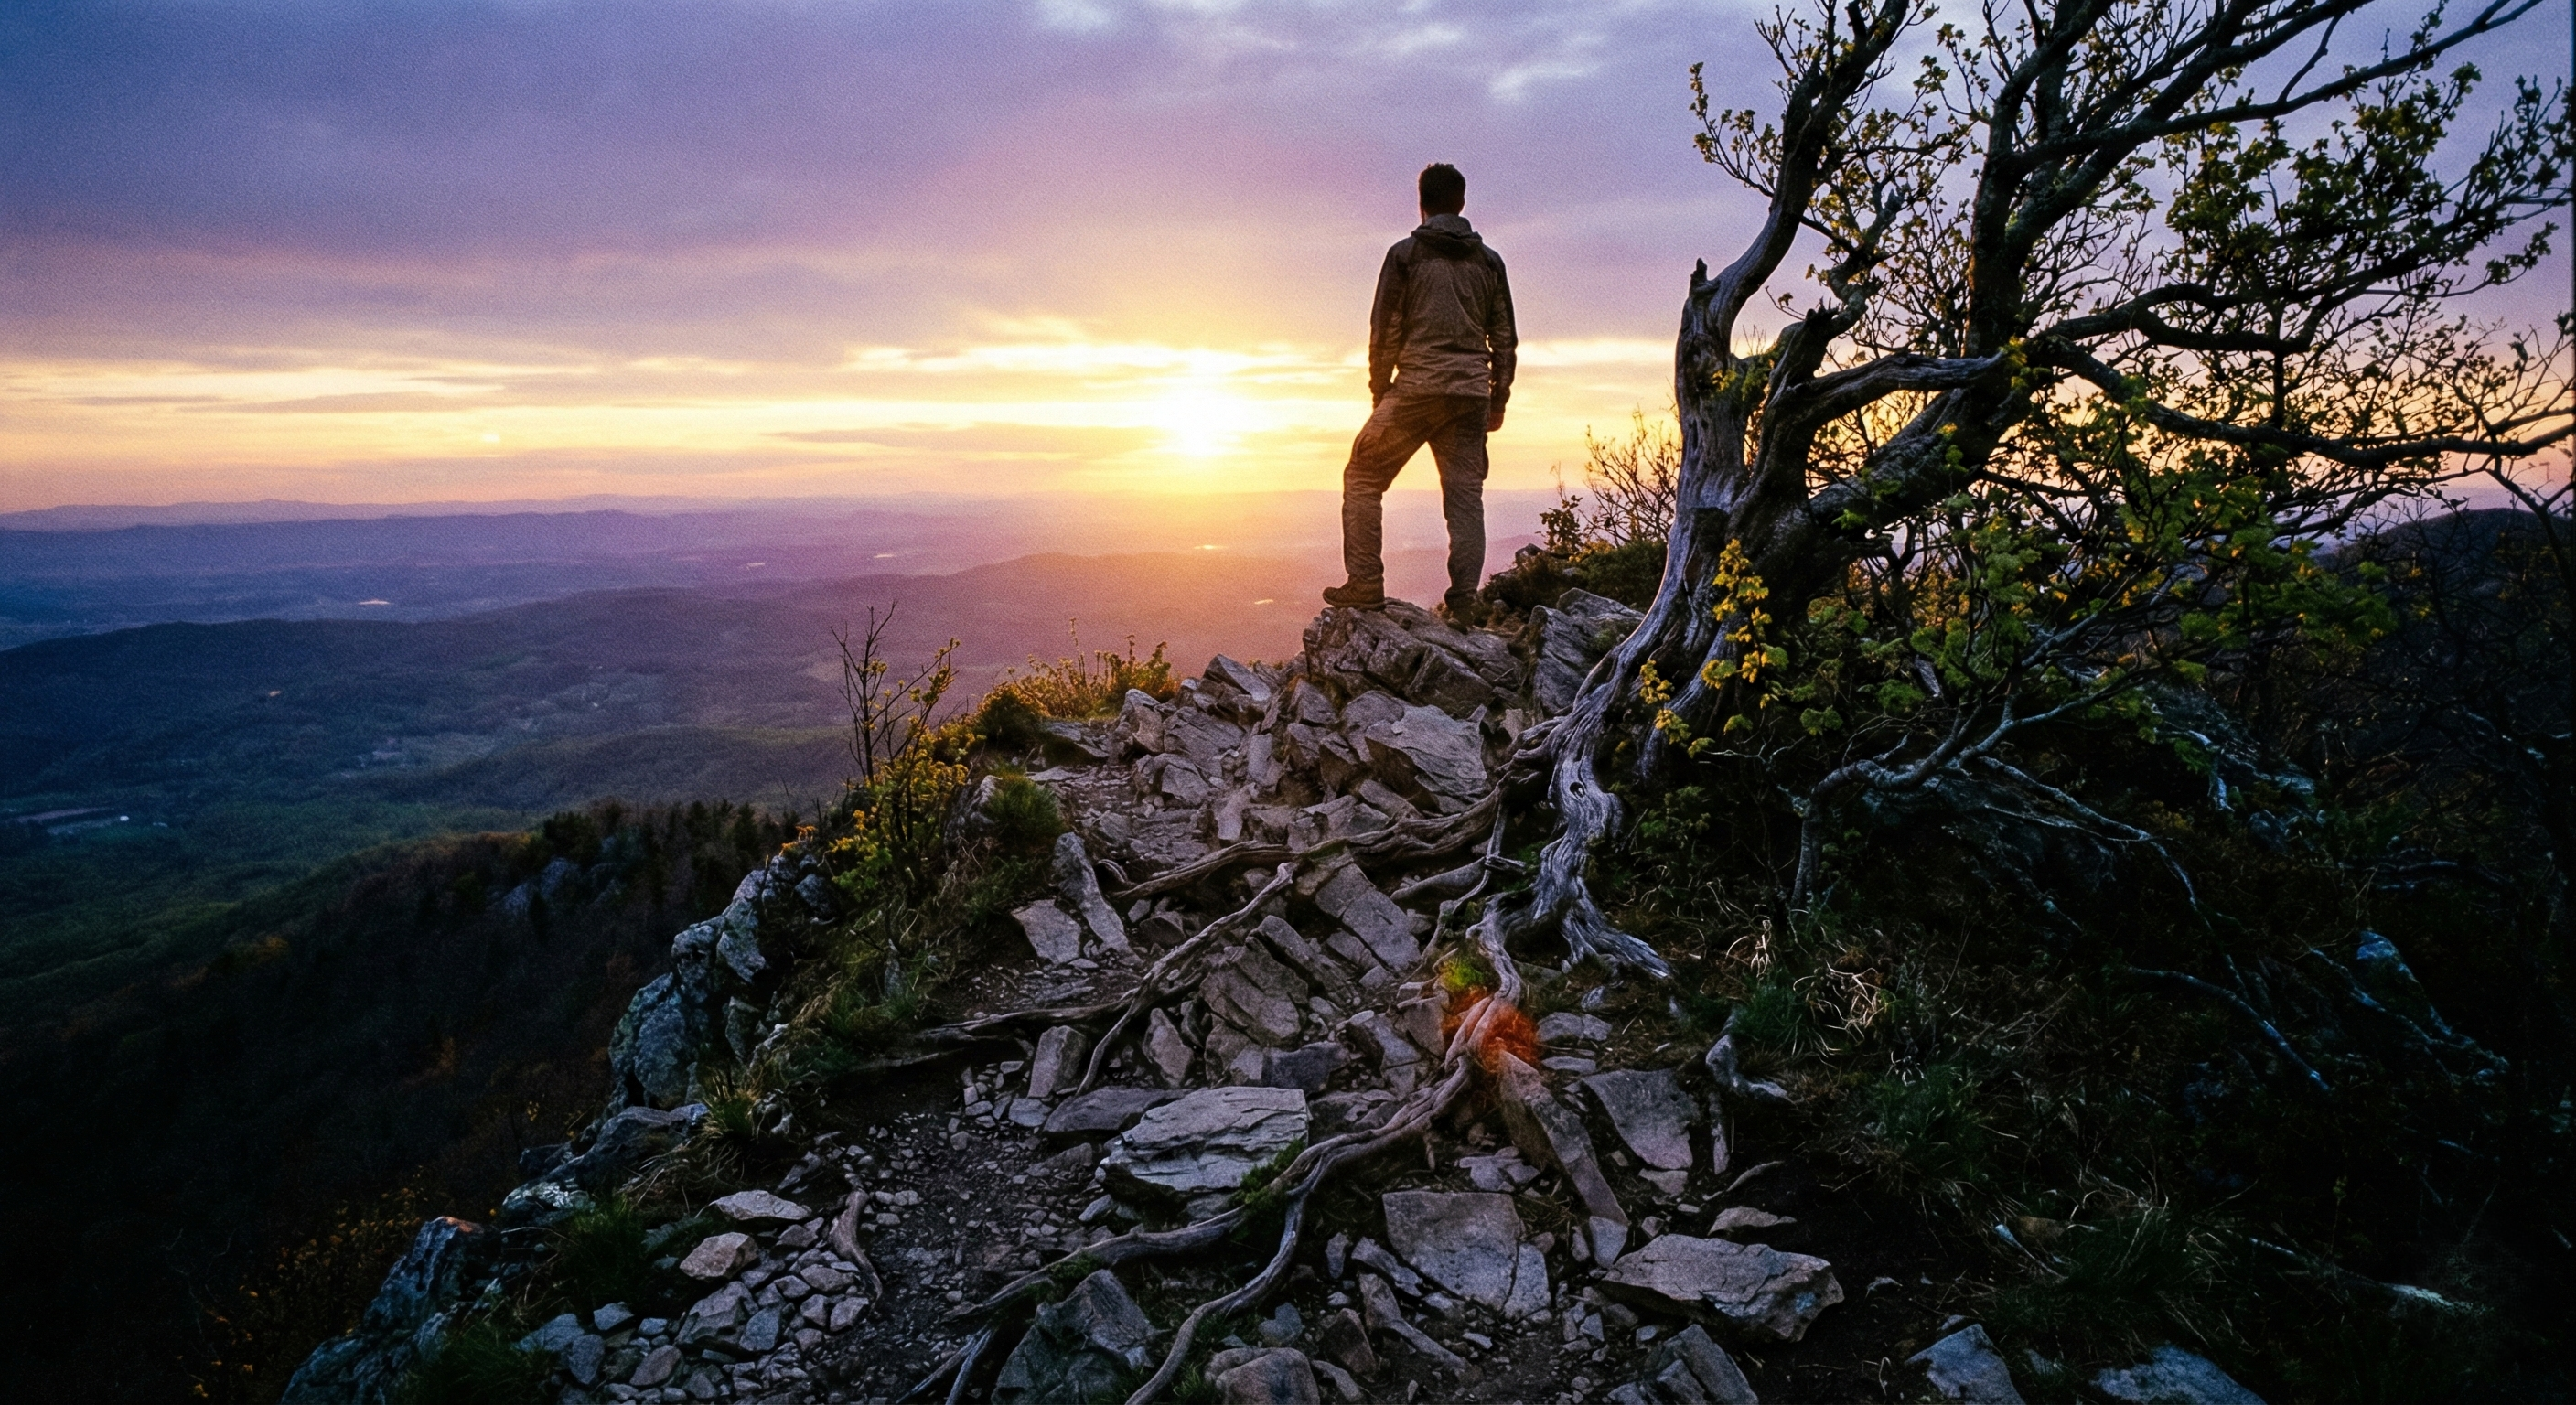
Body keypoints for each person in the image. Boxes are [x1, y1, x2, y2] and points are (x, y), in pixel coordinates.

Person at [1323, 162, 1517, 622]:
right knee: (1465, 499)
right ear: (1461, 203)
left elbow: (1384, 330)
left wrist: (1380, 392)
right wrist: (1498, 399)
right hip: (1470, 394)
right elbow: (1504, 337)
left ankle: (1366, 583)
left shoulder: (1405, 255)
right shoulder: (1489, 262)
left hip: (1417, 388)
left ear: (1422, 203)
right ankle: (1466, 600)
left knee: (1363, 477)